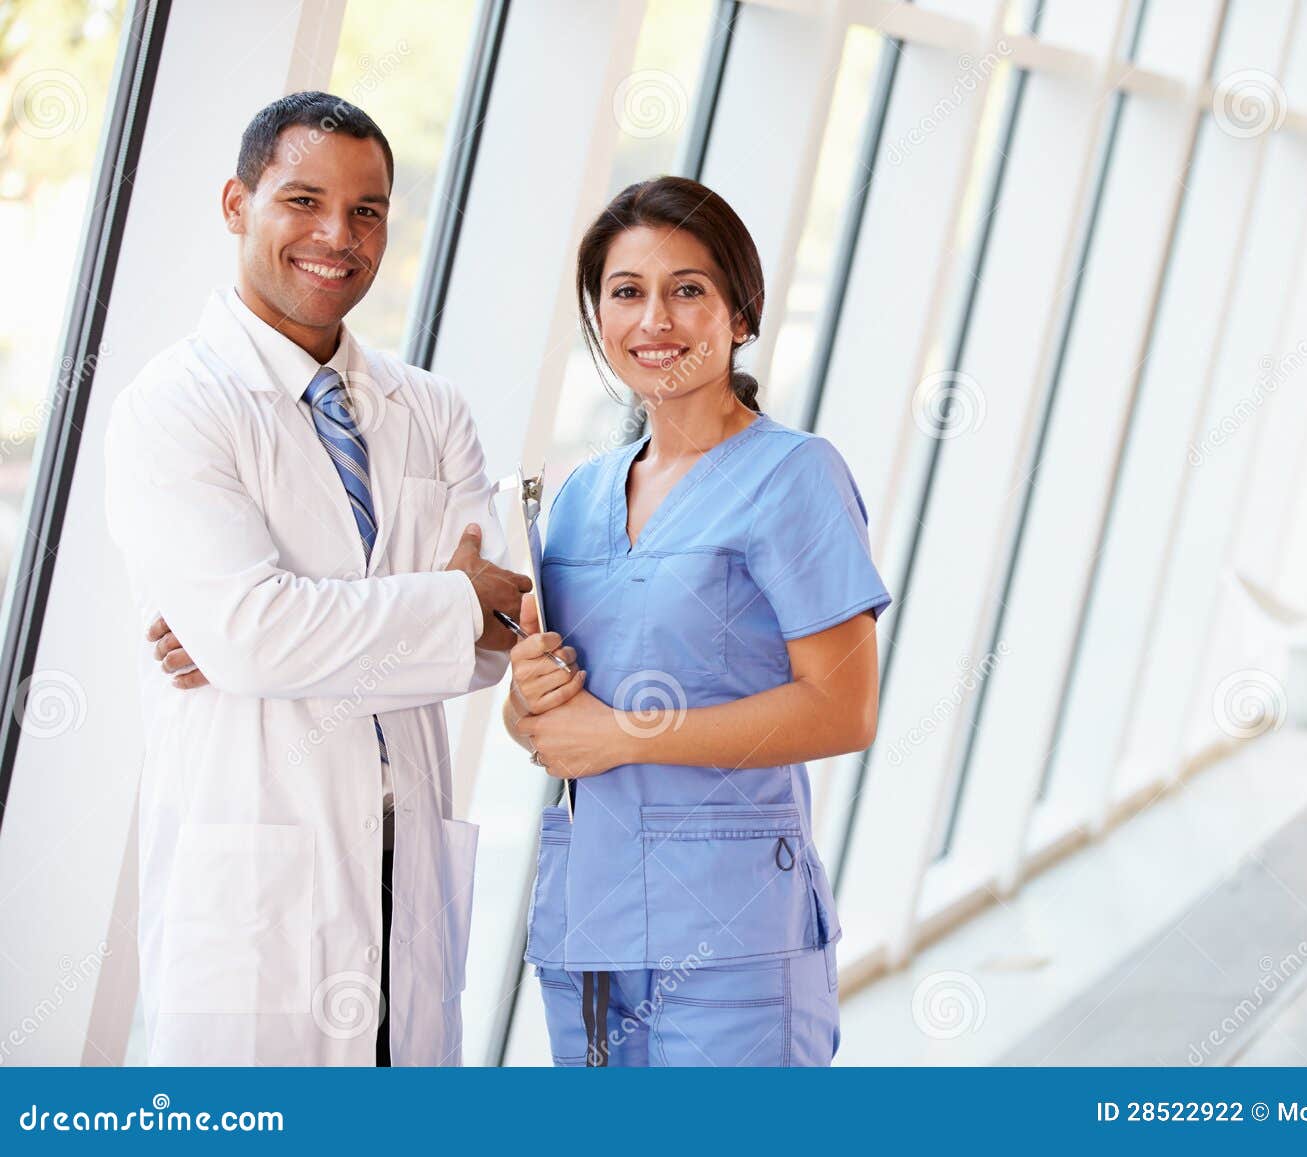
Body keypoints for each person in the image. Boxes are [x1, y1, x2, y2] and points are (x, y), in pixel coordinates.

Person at [104, 92, 530, 1066]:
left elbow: (492, 641)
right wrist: (441, 604)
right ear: (235, 203)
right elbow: (257, 633)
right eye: (303, 200)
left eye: (368, 209)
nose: (338, 236)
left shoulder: (430, 408)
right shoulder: (176, 406)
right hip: (261, 885)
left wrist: (286, 633)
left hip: (402, 862)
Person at [502, 176, 892, 1067]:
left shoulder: (795, 477)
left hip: (734, 941)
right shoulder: (580, 496)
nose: (656, 321)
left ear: (740, 313)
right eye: (626, 292)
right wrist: (530, 705)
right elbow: (550, 726)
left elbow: (843, 710)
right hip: (591, 927)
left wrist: (625, 734)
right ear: (599, 316)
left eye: (688, 290)